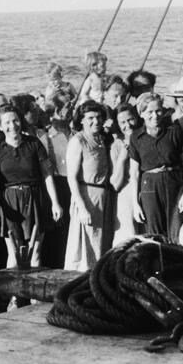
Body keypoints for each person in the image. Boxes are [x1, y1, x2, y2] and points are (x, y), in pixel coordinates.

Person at [0, 105, 63, 269]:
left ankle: (34, 295)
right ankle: (14, 295)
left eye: (15, 120)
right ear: (0, 126)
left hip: (35, 199)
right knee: (14, 255)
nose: (12, 125)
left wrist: (55, 203)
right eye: (7, 122)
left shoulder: (34, 143)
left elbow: (47, 175)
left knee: (35, 253)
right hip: (10, 202)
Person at [129, 93, 183, 243]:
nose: (155, 115)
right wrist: (135, 204)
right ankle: (158, 265)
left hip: (175, 184)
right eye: (149, 112)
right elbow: (135, 173)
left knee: (177, 229)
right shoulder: (136, 137)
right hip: (149, 186)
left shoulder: (174, 131)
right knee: (154, 233)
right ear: (141, 113)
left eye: (158, 111)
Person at [64, 101, 114, 271]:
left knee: (101, 243)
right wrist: (82, 208)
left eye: (99, 117)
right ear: (82, 120)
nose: (96, 121)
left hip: (104, 195)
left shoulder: (103, 138)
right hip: (86, 196)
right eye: (90, 118)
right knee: (85, 246)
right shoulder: (78, 141)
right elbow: (71, 178)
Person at [42, 92, 73, 268]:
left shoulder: (76, 133)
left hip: (76, 186)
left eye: (69, 106)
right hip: (58, 185)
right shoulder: (47, 137)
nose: (69, 110)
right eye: (65, 107)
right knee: (59, 233)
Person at [110, 103, 141, 244]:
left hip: (145, 189)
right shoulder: (116, 145)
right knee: (128, 236)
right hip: (126, 193)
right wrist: (122, 158)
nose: (127, 125)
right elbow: (116, 184)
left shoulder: (144, 137)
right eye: (122, 122)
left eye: (130, 119)